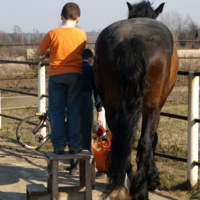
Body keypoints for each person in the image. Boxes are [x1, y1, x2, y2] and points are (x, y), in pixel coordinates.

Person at [36, 3, 86, 154]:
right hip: (76, 75)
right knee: (73, 110)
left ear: (61, 16)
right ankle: (74, 145)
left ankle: (58, 146)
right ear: (78, 19)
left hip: (56, 75)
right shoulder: (82, 34)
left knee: (56, 110)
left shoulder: (53, 33)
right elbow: (80, 52)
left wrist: (49, 52)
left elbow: (39, 52)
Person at [69, 48, 107, 179]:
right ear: (90, 59)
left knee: (74, 130)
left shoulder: (74, 69)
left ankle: (73, 165)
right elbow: (96, 92)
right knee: (86, 132)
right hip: (85, 98)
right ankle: (87, 166)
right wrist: (100, 109)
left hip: (72, 100)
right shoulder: (91, 70)